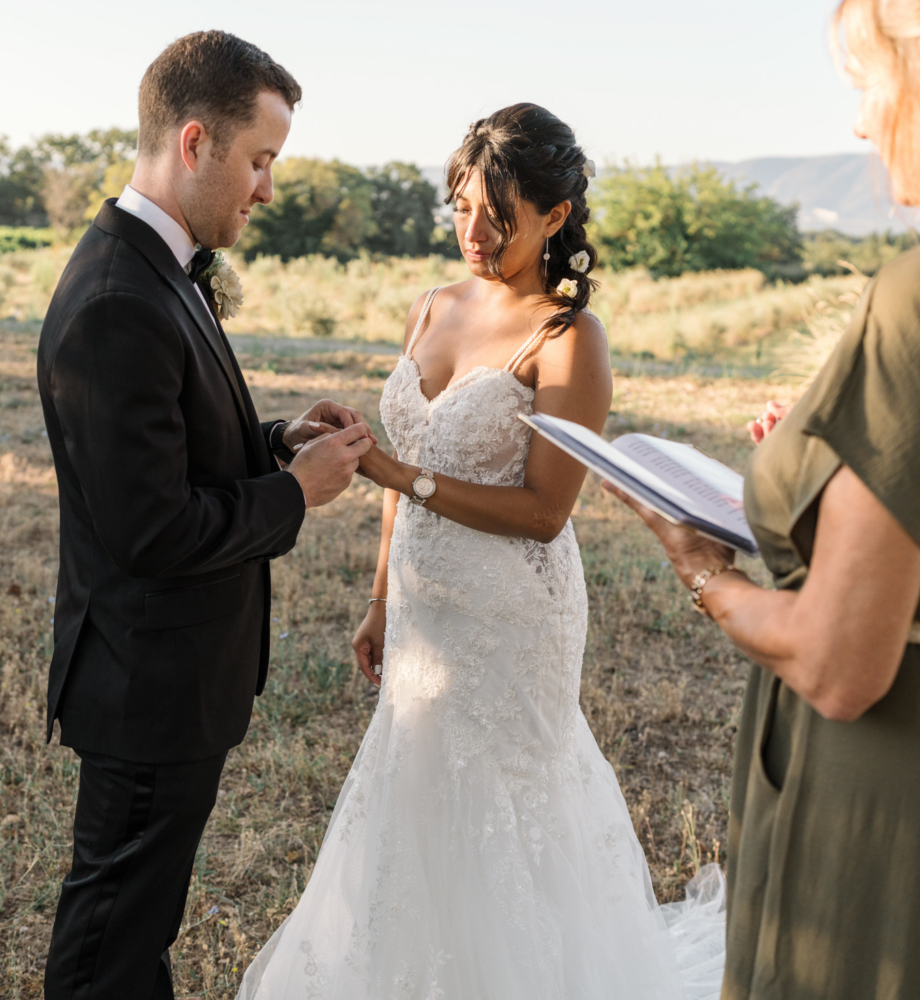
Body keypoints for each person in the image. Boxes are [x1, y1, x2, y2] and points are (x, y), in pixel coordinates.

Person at [607, 1, 920, 996]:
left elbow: (839, 661)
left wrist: (704, 574)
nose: (861, 123)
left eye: (865, 84)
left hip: (906, 809)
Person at [238, 103, 725, 1000]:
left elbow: (544, 510)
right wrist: (382, 598)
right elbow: (407, 460)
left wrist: (394, 471)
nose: (474, 233)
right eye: (461, 206)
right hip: (426, 608)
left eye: (498, 218)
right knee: (415, 786)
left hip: (513, 613)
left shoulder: (567, 337)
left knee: (505, 801)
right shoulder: (435, 304)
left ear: (555, 217)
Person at [35, 31, 375, 1000]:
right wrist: (295, 492)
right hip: (147, 685)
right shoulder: (115, 298)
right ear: (195, 143)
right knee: (108, 946)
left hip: (172, 679)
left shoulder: (159, 268)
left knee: (136, 931)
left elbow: (164, 448)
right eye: (259, 159)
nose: (266, 188)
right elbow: (150, 529)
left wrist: (273, 439)